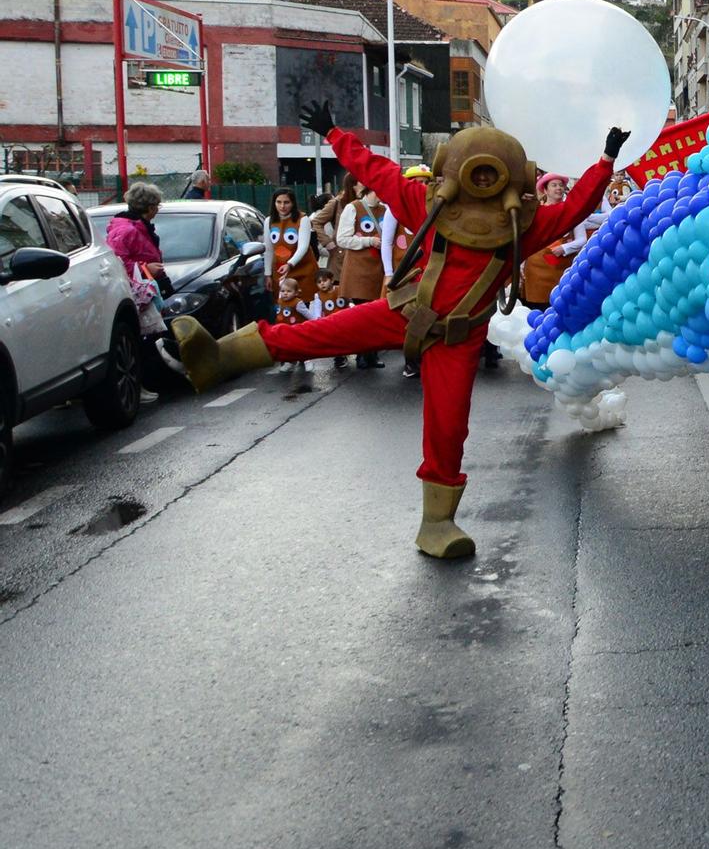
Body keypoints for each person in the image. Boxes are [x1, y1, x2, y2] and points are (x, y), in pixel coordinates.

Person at [171, 101, 623, 560]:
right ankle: (220, 357)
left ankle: (438, 523)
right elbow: (377, 170)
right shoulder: (424, 203)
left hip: (458, 339)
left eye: (492, 173)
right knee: (316, 334)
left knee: (448, 430)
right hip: (404, 310)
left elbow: (577, 207)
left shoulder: (521, 225)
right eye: (476, 170)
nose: (483, 180)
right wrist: (333, 133)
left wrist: (605, 162)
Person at [107, 182, 170, 404]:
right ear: (150, 207)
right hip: (136, 291)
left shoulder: (137, 226)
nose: (157, 210)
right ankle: (138, 385)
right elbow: (119, 261)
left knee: (148, 338)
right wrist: (146, 267)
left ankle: (146, 383)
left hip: (146, 287)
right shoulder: (127, 229)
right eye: (157, 206)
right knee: (141, 340)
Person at [379, 166, 430, 378]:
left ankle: (422, 359)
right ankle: (410, 360)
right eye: (416, 181)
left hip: (426, 272)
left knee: (424, 316)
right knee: (403, 317)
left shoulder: (433, 206)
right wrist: (389, 272)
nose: (421, 185)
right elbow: (387, 242)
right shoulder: (395, 208)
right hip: (402, 272)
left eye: (425, 181)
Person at [337, 181, 390, 368]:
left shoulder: (386, 210)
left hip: (380, 269)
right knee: (362, 314)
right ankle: (362, 354)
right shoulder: (353, 208)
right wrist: (369, 241)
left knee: (376, 313)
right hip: (359, 269)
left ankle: (372, 354)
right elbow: (342, 239)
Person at [518, 174, 576, 310]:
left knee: (561, 304)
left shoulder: (571, 210)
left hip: (561, 268)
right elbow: (526, 240)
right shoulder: (535, 212)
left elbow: (581, 239)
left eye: (561, 185)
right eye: (554, 185)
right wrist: (521, 265)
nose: (558, 188)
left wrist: (565, 247)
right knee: (536, 307)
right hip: (536, 268)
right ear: (545, 190)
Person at [264, 190, 316, 309]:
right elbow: (268, 249)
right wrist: (267, 274)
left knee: (305, 305)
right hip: (281, 272)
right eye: (279, 202)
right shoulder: (269, 221)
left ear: (293, 203)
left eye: (286, 202)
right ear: (274, 203)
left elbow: (303, 246)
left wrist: (290, 264)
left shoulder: (303, 219)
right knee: (284, 309)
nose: (282, 206)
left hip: (303, 269)